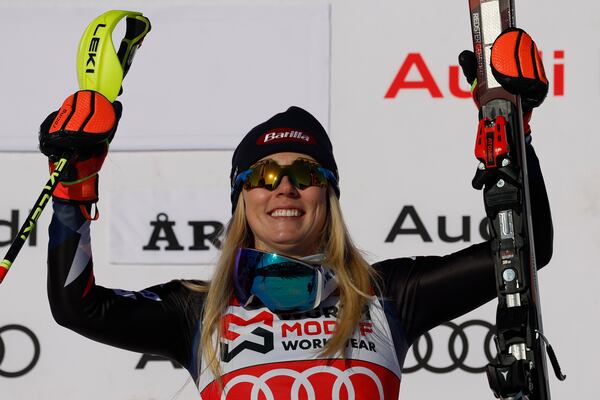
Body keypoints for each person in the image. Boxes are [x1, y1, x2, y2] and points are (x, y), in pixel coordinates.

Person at [42, 29, 552, 399]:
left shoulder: (385, 294)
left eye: (305, 175)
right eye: (264, 176)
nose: (284, 187)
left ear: (327, 196)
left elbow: (524, 252)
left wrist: (514, 131)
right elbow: (76, 307)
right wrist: (74, 186)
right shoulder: (197, 311)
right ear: (241, 198)